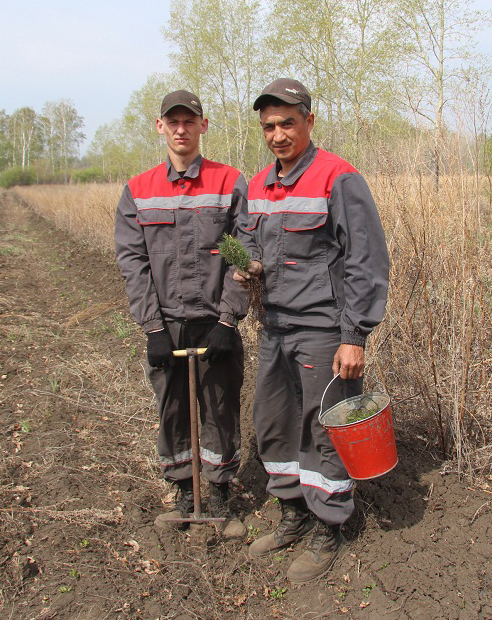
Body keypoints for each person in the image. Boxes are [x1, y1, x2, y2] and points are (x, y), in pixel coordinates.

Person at [235, 78, 390, 582]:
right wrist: (250, 267)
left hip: (324, 327)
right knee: (275, 421)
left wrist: (354, 336)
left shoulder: (338, 178)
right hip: (274, 326)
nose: (278, 135)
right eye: (268, 127)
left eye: (287, 123)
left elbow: (365, 261)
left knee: (324, 428)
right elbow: (256, 247)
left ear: (309, 121)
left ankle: (329, 525)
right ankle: (293, 514)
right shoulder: (258, 186)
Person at [115, 90, 247, 538]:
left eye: (189, 121)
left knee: (220, 406)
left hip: (214, 320)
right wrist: (152, 328)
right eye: (172, 121)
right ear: (159, 126)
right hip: (167, 322)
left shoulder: (230, 182)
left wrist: (228, 320)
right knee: (172, 409)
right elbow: (132, 264)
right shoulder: (138, 189)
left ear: (203, 126)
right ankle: (183, 490)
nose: (180, 129)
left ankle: (219, 491)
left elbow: (243, 255)